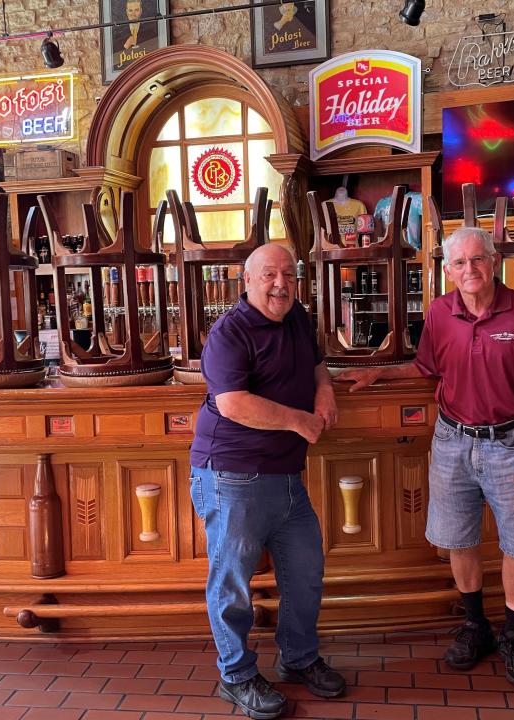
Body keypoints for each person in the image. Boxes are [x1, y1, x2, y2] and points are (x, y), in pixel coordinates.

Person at [337, 226, 514, 688]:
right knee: (458, 539)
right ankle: (475, 626)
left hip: (512, 444)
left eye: (477, 260)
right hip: (451, 442)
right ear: (447, 270)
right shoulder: (440, 313)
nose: (470, 270)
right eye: (459, 264)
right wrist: (378, 375)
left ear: (495, 260)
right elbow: (426, 367)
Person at [190, 243, 347, 719]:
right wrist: (300, 421)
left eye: (288, 276)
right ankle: (235, 676)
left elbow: (317, 364)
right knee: (232, 582)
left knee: (305, 573)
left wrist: (324, 391)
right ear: (246, 280)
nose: (280, 284)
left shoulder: (297, 316)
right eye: (269, 275)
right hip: (231, 476)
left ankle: (298, 659)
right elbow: (233, 403)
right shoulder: (229, 332)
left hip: (286, 478)